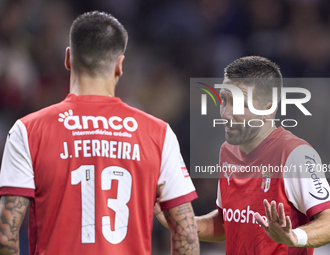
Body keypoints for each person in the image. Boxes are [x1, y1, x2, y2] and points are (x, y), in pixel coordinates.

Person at [0, 11, 199, 255]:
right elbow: (188, 234)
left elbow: (6, 235)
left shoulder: (28, 130)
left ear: (68, 59)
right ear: (119, 65)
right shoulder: (159, 133)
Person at [155, 56, 330, 254]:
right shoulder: (227, 150)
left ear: (268, 108)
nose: (225, 113)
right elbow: (228, 223)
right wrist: (182, 223)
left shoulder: (295, 154)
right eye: (224, 100)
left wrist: (295, 237)